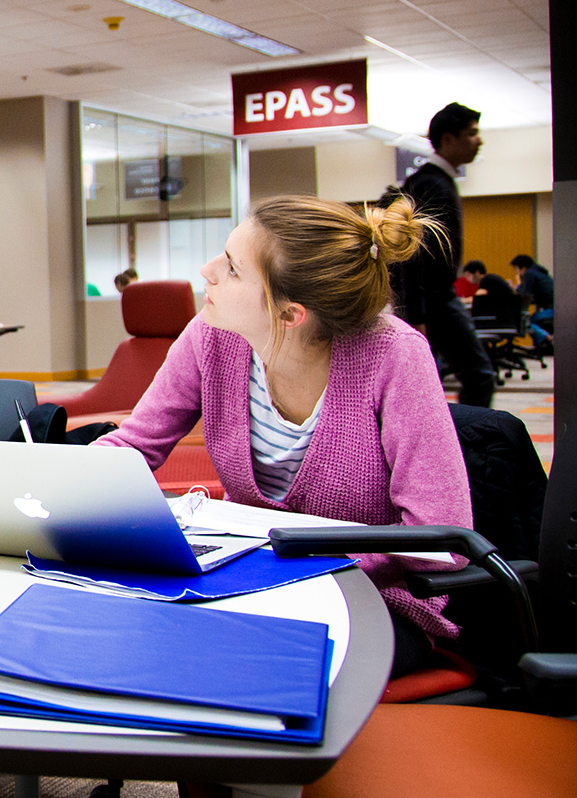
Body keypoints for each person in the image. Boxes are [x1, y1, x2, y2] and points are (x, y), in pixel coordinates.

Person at [95, 195, 471, 680]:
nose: (207, 270)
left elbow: (443, 538)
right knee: (125, 632)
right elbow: (134, 445)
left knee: (211, 664)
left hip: (373, 602)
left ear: (291, 314)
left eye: (231, 268)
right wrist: (60, 486)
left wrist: (290, 569)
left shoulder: (394, 356)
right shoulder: (211, 335)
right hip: (240, 583)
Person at [391, 102, 495, 407]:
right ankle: (468, 448)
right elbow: (413, 256)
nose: (479, 141)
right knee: (479, 376)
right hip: (434, 301)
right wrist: (417, 314)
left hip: (434, 300)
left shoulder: (437, 180)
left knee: (429, 384)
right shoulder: (430, 184)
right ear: (448, 139)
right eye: (472, 134)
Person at [512, 253, 554, 351]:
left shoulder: (529, 274)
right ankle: (543, 343)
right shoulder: (539, 273)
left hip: (552, 309)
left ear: (522, 268)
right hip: (554, 307)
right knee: (531, 319)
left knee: (526, 322)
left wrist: (518, 285)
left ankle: (547, 338)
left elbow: (524, 294)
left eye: (516, 269)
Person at [459, 260, 518, 328]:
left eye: (468, 276)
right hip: (508, 317)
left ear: (477, 273)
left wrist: (461, 300)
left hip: (501, 319)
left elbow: (477, 298)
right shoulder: (491, 278)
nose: (467, 279)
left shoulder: (487, 280)